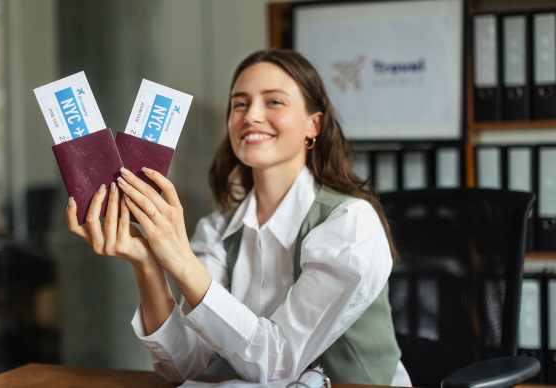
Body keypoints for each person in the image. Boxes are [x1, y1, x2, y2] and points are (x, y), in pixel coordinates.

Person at [66, 48, 411, 386]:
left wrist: (181, 258)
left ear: (313, 125)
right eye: (240, 104)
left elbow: (278, 364)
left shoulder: (350, 223)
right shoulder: (218, 229)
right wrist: (147, 263)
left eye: (273, 101)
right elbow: (180, 366)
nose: (251, 116)